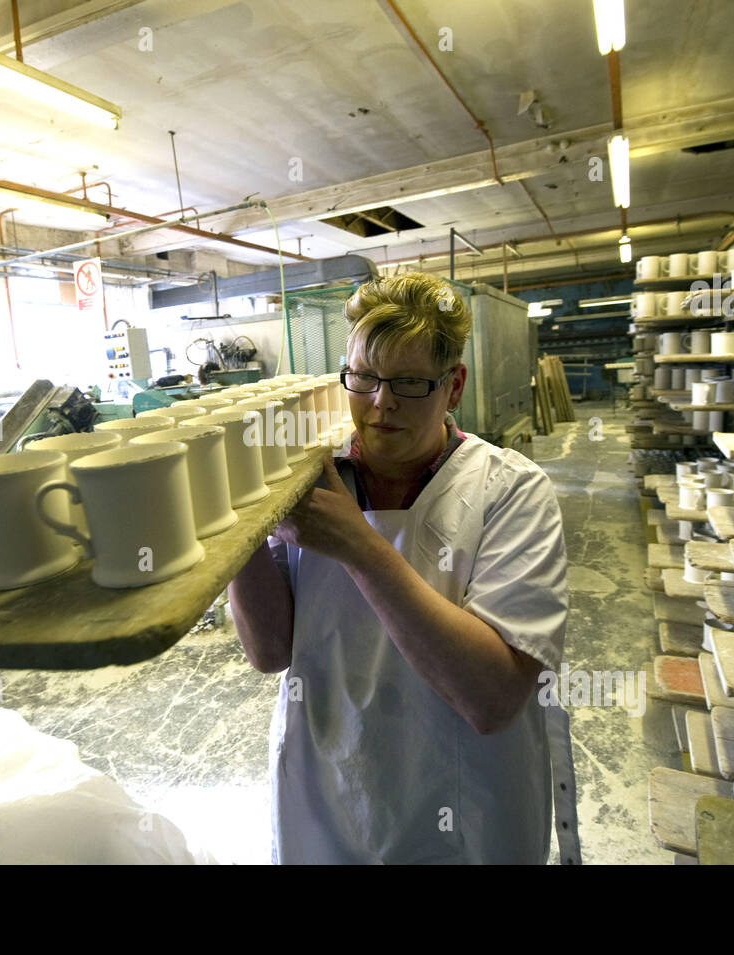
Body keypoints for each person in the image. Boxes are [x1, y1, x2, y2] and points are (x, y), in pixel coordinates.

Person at [228, 273, 569, 864]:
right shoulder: (310, 477)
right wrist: (240, 524)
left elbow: (491, 699)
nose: (381, 404)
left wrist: (361, 547)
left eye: (410, 383)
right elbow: (270, 652)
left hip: (465, 801)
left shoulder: (508, 490)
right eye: (364, 379)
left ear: (453, 385)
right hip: (332, 783)